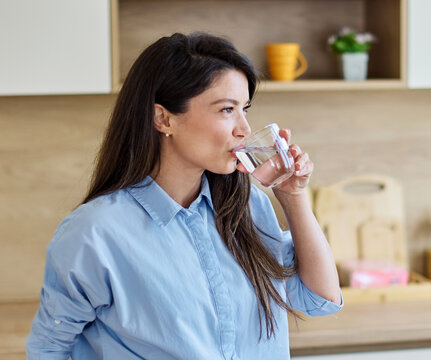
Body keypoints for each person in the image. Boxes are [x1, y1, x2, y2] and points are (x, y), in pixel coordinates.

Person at [26, 32, 342, 360]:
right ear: (164, 118)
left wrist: (293, 195)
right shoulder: (95, 231)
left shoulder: (247, 207)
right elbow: (48, 349)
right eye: (226, 110)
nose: (244, 129)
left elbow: (320, 299)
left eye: (244, 109)